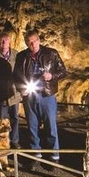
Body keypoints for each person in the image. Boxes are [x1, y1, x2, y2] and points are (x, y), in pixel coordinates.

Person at [13, 30, 67, 165]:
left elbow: (63, 71)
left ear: (39, 40)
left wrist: (52, 76)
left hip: (46, 95)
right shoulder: (21, 56)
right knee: (32, 126)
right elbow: (16, 76)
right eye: (29, 42)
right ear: (26, 43)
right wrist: (21, 89)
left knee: (51, 126)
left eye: (34, 40)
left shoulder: (51, 53)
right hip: (29, 95)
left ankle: (54, 156)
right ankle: (35, 154)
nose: (33, 44)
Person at [0, 31, 21, 149]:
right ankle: (2, 140)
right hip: (1, 92)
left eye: (6, 40)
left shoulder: (16, 55)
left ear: (10, 41)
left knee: (14, 117)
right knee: (2, 119)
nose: (4, 43)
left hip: (14, 92)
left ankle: (14, 140)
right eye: (1, 41)